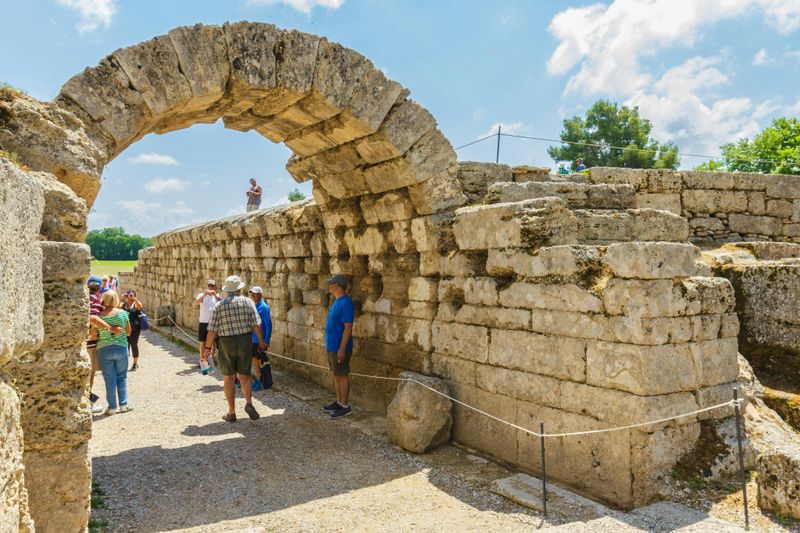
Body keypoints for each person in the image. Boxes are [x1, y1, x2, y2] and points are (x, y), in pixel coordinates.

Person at [203, 275, 267, 422]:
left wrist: (207, 348)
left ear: (227, 290)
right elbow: (256, 325)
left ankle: (231, 412)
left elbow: (212, 330)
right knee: (244, 375)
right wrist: (261, 342)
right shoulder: (248, 302)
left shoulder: (220, 305)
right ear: (239, 289)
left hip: (226, 342)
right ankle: (249, 403)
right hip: (245, 340)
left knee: (229, 377)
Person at [86, 276, 123, 414]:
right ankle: (87, 402)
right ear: (99, 288)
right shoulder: (95, 300)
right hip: (90, 344)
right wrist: (111, 329)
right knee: (89, 374)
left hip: (85, 341)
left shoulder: (86, 298)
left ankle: (88, 399)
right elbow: (93, 318)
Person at [322, 274, 355, 419]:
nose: (329, 286)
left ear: (337, 285)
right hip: (332, 346)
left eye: (331, 283)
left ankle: (345, 406)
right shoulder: (337, 301)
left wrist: (342, 349)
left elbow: (348, 328)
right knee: (336, 375)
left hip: (339, 348)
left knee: (342, 375)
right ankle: (339, 402)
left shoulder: (346, 303)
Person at [96, 290, 133, 415]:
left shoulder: (99, 316)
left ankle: (112, 407)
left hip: (104, 349)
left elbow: (95, 334)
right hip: (121, 347)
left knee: (109, 378)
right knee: (122, 376)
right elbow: (128, 332)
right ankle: (123, 405)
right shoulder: (123, 313)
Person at [248, 286, 272, 386]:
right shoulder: (253, 305)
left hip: (260, 340)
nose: (253, 295)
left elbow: (269, 325)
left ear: (260, 295)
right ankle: (259, 380)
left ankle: (261, 382)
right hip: (253, 339)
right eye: (252, 293)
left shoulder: (264, 307)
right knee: (254, 360)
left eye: (255, 294)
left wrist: (266, 340)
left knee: (259, 360)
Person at [194, 280, 220, 367]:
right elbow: (196, 302)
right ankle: (202, 360)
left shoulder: (217, 296)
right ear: (207, 286)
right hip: (203, 321)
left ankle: (210, 360)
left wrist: (215, 295)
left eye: (212, 286)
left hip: (213, 322)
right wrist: (205, 294)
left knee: (212, 342)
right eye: (209, 286)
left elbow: (221, 302)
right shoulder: (202, 295)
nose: (210, 287)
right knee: (203, 342)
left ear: (215, 287)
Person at [121, 290, 144, 370]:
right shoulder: (124, 304)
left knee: (134, 344)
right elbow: (117, 308)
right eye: (129, 295)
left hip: (135, 328)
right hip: (125, 327)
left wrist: (135, 299)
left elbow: (140, 307)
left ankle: (135, 363)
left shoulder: (136, 304)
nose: (129, 296)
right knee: (125, 345)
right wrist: (123, 298)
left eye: (131, 295)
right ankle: (124, 363)